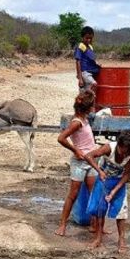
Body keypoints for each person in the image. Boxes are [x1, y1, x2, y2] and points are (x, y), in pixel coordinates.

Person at [83, 131, 130, 252]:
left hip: (118, 182)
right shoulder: (109, 148)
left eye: (128, 153)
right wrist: (99, 171)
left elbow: (127, 175)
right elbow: (88, 156)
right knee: (100, 209)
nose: (124, 155)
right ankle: (98, 238)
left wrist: (114, 191)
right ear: (119, 145)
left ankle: (121, 239)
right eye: (123, 151)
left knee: (121, 212)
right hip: (103, 180)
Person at [55, 90, 99, 236]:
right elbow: (61, 138)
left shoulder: (84, 119)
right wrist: (76, 150)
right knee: (73, 195)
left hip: (90, 161)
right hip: (80, 163)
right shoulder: (77, 122)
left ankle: (95, 225)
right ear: (88, 108)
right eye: (92, 106)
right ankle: (62, 225)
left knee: (94, 194)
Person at [74, 26, 100, 92]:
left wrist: (97, 64)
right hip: (85, 73)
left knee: (85, 93)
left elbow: (92, 59)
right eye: (87, 38)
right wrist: (80, 79)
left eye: (90, 38)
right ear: (82, 37)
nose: (89, 40)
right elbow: (78, 62)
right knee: (94, 84)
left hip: (91, 73)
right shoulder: (81, 46)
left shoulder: (90, 47)